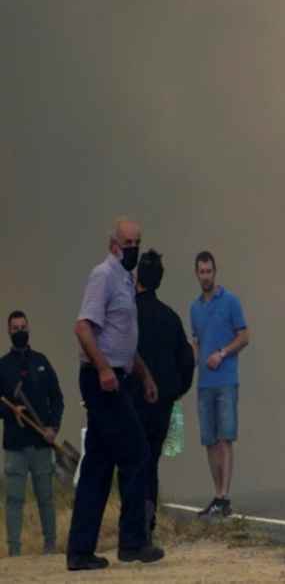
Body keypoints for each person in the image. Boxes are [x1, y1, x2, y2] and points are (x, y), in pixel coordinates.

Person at [66, 217, 164, 571]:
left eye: (138, 241)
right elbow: (83, 327)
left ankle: (79, 552)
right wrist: (105, 368)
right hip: (101, 381)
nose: (134, 248)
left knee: (97, 465)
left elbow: (123, 338)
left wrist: (145, 374)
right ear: (113, 244)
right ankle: (133, 542)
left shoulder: (125, 280)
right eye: (129, 242)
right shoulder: (103, 276)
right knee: (137, 453)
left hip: (118, 376)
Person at [135, 249, 194, 541]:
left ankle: (133, 524)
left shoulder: (126, 314)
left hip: (130, 404)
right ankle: (147, 520)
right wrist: (173, 393)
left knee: (132, 462)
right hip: (160, 407)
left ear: (137, 278)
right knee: (151, 462)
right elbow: (186, 361)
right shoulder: (170, 318)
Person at [0, 311, 64, 556]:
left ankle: (50, 547)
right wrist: (10, 410)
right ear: (9, 331)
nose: (19, 331)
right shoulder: (2, 366)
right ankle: (14, 552)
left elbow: (57, 398)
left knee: (46, 498)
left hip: (41, 443)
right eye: (15, 328)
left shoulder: (41, 361)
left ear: (29, 329)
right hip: (15, 446)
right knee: (14, 499)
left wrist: (53, 428)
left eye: (23, 327)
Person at [190, 250, 249, 518]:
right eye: (201, 272)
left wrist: (223, 353)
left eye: (209, 271)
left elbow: (245, 335)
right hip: (204, 384)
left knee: (225, 438)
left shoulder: (231, 301)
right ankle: (217, 495)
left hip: (226, 380)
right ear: (197, 274)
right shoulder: (194, 308)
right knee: (209, 441)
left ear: (215, 272)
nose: (206, 276)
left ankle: (225, 496)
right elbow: (197, 342)